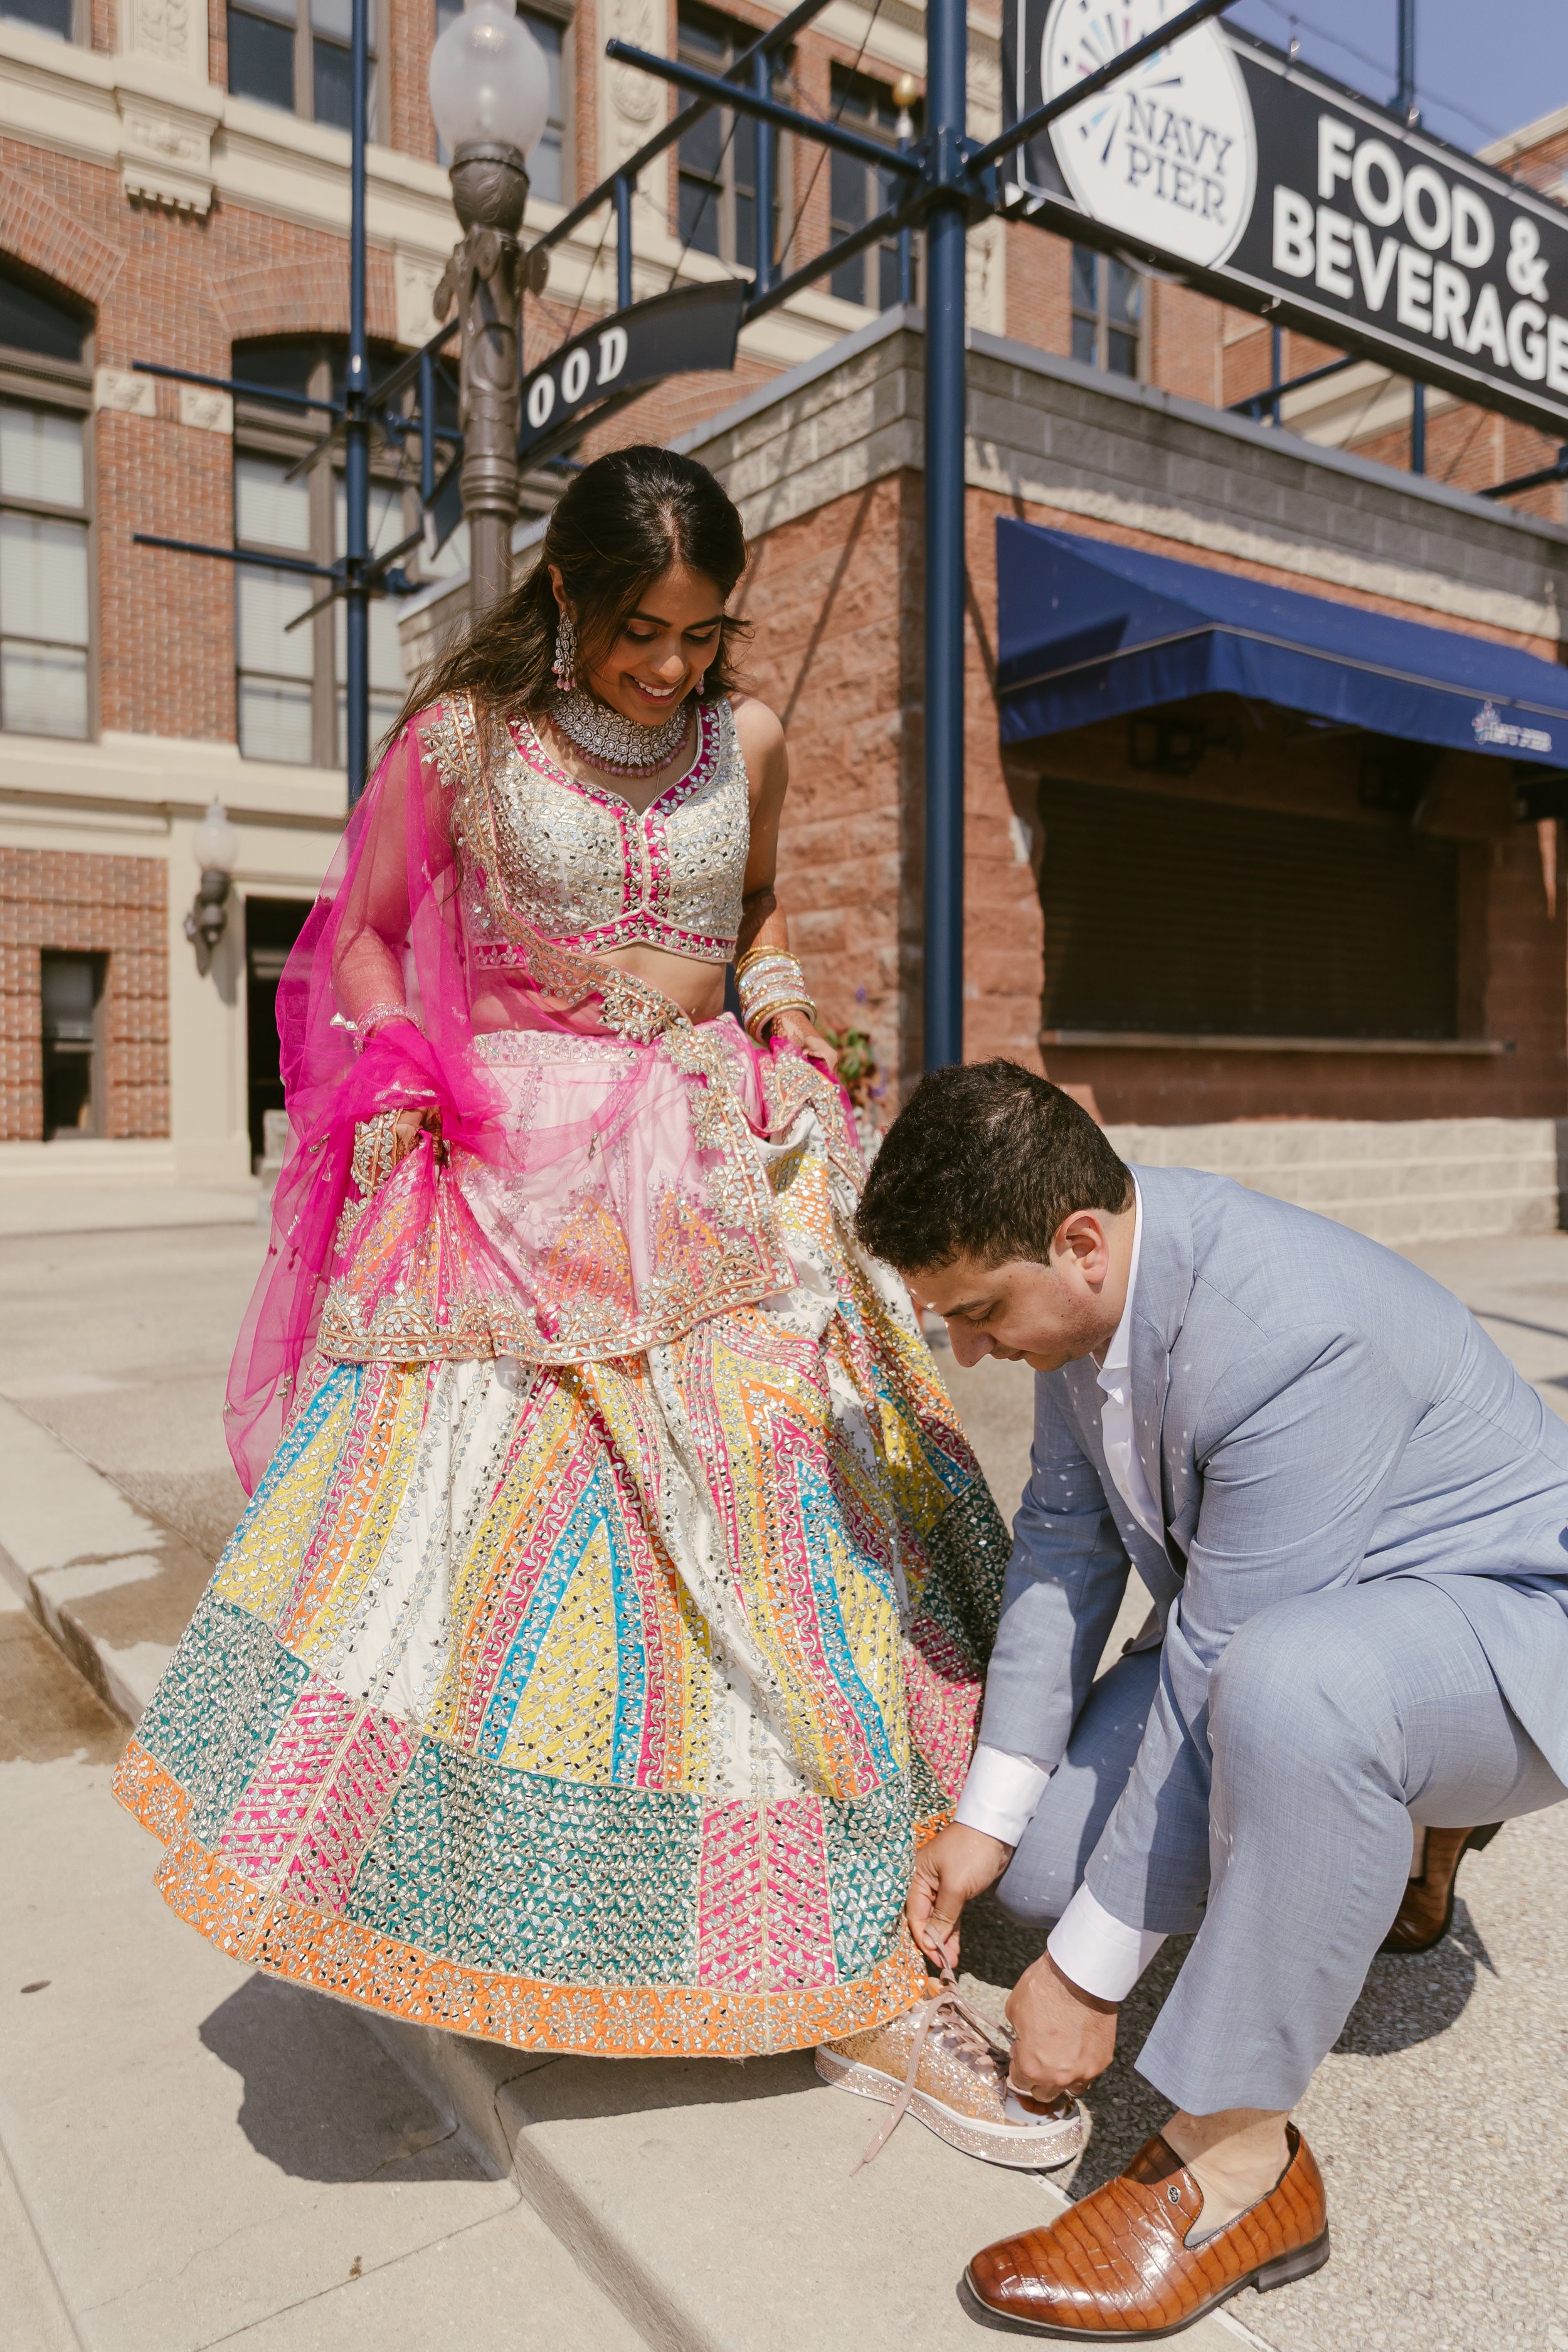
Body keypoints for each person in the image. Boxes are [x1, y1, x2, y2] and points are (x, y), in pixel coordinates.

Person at [111, 447, 1076, 2167]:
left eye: (703, 634)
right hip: (530, 1174)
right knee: (541, 1571)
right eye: (643, 629)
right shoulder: (458, 744)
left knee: (803, 1531)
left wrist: (777, 1004)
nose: (673, 668)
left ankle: (856, 1891)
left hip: (726, 1164)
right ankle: (580, 1915)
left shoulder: (749, 739)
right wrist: (403, 1065)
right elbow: (372, 935)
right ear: (563, 592)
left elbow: (760, 902)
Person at [854, 1059, 1568, 2336]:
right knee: (1038, 1876)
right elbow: (1062, 1547)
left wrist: (1082, 1981)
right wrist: (987, 1813)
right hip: (1304, 1619)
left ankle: (1239, 2170)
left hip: (1507, 1630)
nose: (965, 1349)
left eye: (975, 1311)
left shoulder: (1289, 1328)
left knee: (1292, 1688)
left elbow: (1223, 1656)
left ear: (1076, 1243)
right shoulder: (1093, 1286)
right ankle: (1391, 1825)